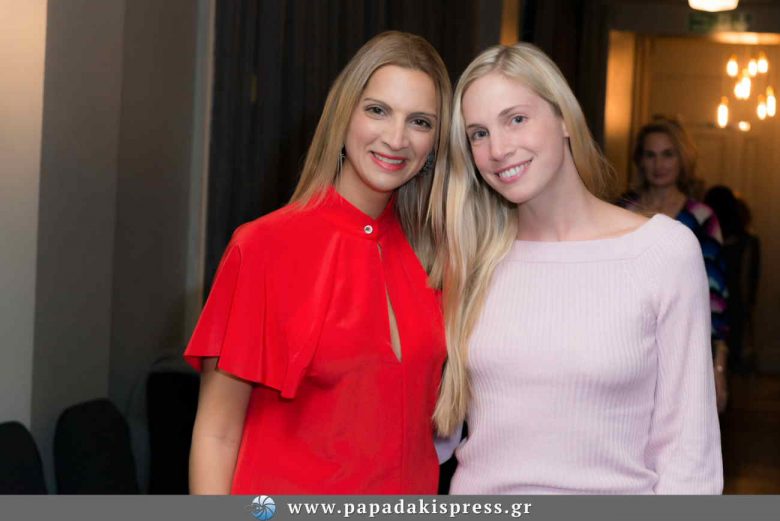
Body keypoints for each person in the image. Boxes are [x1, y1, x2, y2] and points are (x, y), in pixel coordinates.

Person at [430, 43, 722, 494]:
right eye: (478, 134)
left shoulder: (662, 252)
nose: (498, 149)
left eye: (516, 119)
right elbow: (428, 430)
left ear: (565, 118)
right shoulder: (471, 257)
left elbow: (689, 455)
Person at [185, 31, 451, 494]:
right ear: (343, 115)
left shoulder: (438, 257)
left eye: (420, 122)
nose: (396, 138)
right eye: (377, 110)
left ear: (435, 143)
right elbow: (217, 433)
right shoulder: (263, 246)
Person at [623, 118, 729, 412]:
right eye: (650, 155)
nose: (659, 164)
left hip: (683, 343)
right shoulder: (620, 211)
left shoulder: (702, 218)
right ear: (640, 161)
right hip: (627, 342)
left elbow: (716, 296)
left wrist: (718, 366)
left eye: (668, 154)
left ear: (682, 159)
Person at [704, 186, 761, 374]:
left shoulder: (704, 238)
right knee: (728, 365)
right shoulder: (747, 241)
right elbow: (750, 282)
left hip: (707, 304)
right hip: (734, 307)